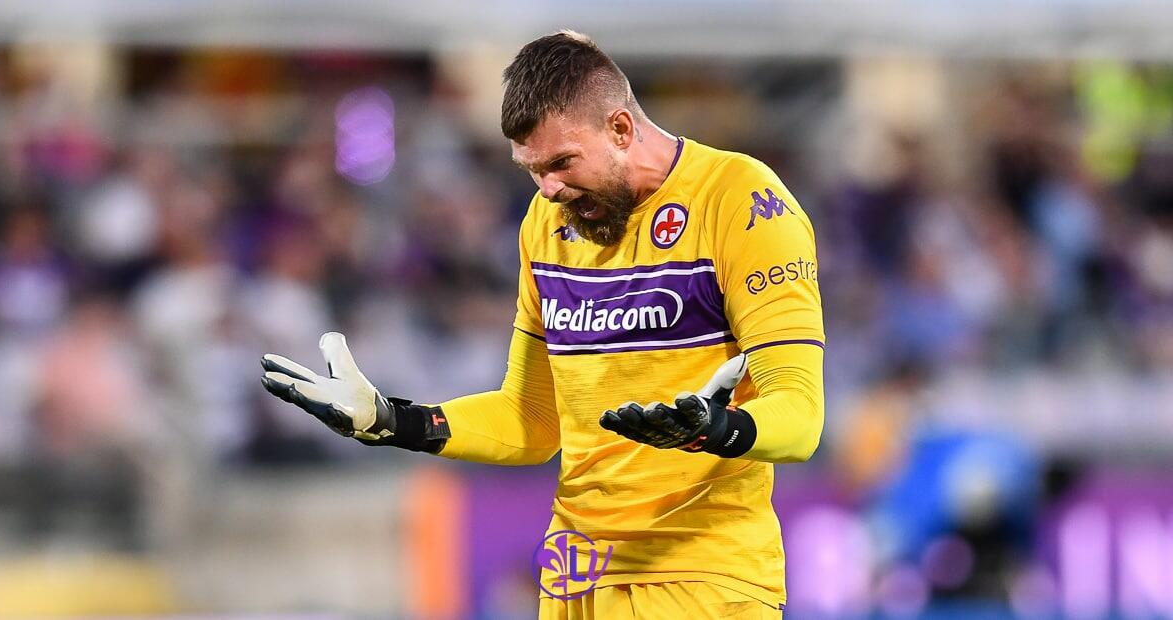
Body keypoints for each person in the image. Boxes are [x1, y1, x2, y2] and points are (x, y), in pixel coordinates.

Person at [260, 30, 824, 620]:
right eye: (532, 170)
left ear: (621, 129)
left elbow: (801, 416)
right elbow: (532, 419)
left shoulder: (741, 201)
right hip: (573, 577)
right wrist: (395, 420)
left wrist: (718, 427)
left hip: (702, 579)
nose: (549, 189)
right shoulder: (546, 224)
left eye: (561, 163)